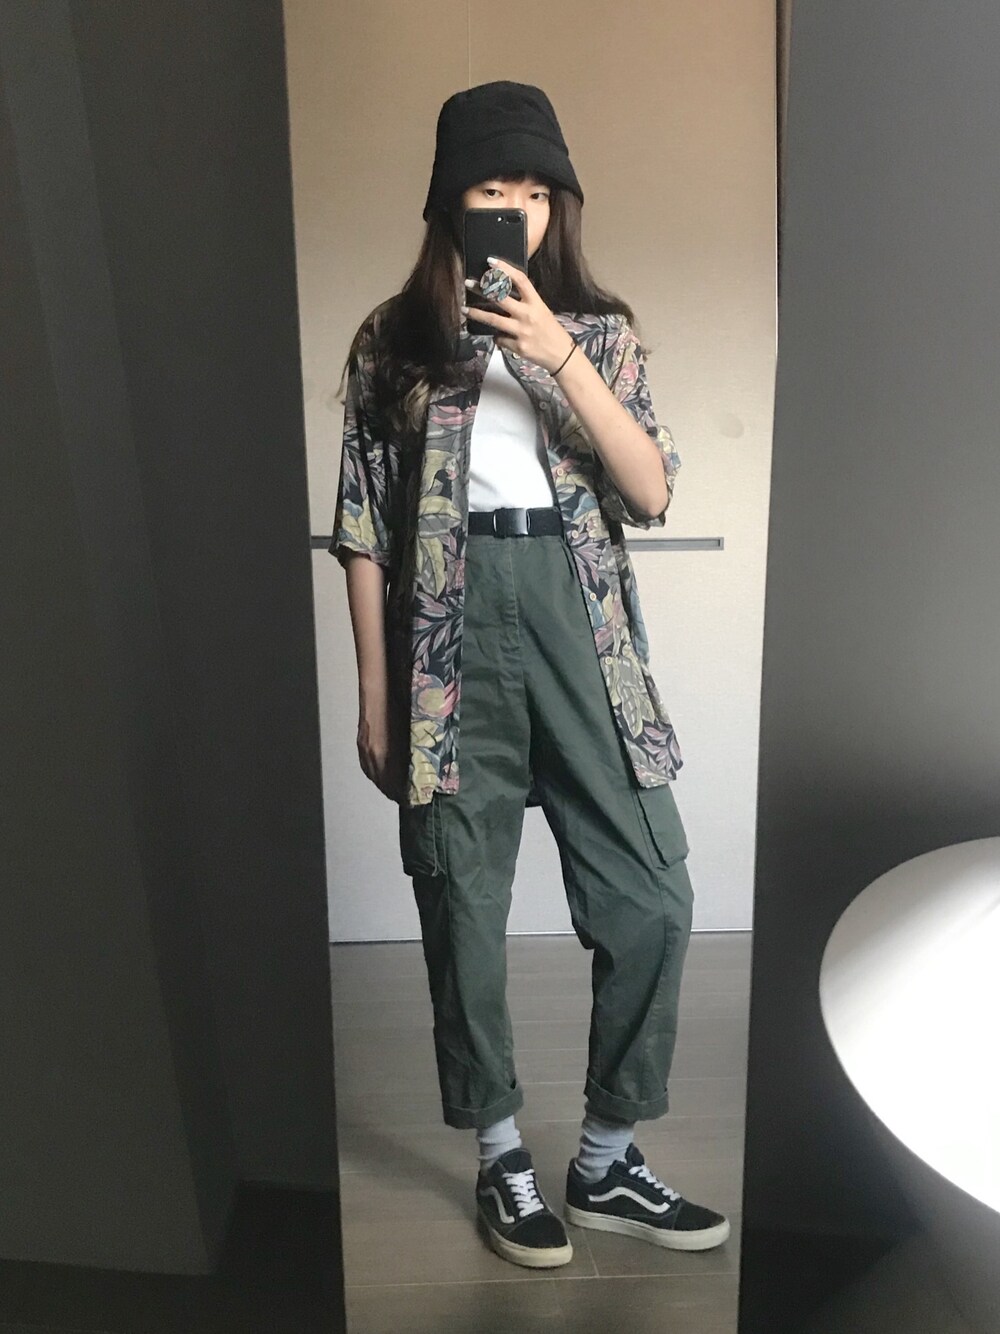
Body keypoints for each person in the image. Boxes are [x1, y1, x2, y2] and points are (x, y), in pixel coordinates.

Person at [330, 80, 730, 1270]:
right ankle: (500, 1152)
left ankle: (605, 1158)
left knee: (652, 893)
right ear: (448, 205)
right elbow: (363, 528)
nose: (516, 208)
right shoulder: (393, 340)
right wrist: (373, 697)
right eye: (489, 189)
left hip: (581, 628)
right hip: (444, 641)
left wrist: (557, 354)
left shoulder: (599, 331)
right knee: (462, 899)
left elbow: (649, 491)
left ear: (559, 207)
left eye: (535, 191)